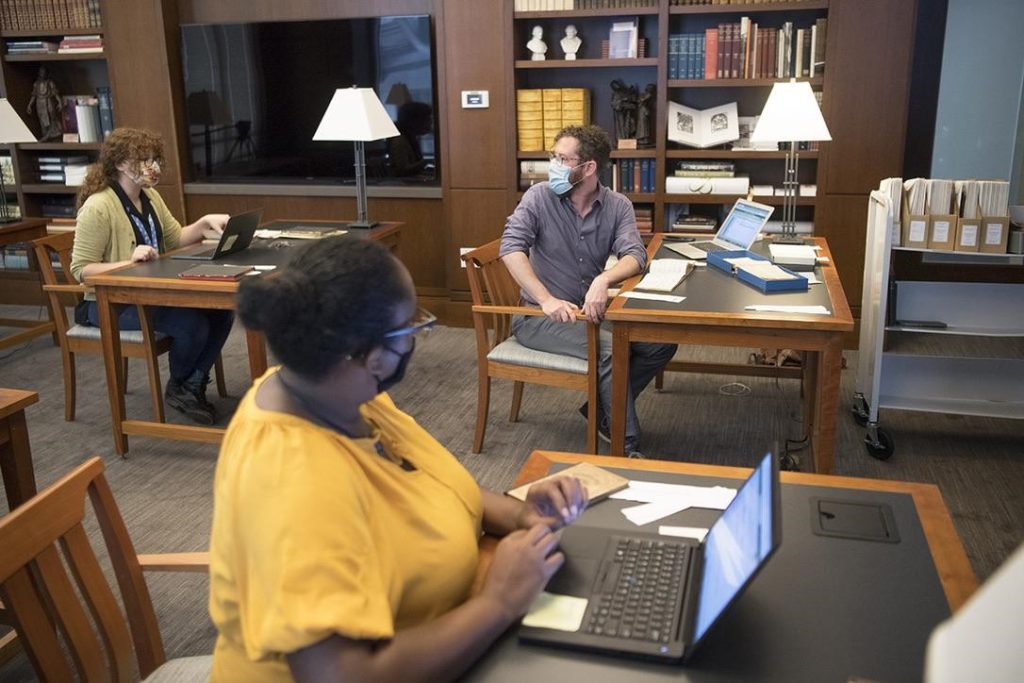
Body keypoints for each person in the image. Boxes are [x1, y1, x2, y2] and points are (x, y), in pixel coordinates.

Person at [209, 237, 587, 682]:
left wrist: (525, 514)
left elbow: (431, 485)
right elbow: (342, 676)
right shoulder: (294, 481)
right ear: (371, 356)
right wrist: (499, 602)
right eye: (412, 328)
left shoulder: (332, 388)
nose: (418, 337)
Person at [500, 124, 677, 457]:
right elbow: (511, 248)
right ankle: (627, 447)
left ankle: (601, 411)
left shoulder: (617, 205)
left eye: (563, 159)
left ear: (589, 167)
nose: (553, 165)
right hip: (540, 316)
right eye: (553, 156)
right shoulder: (538, 198)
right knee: (610, 350)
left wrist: (603, 280)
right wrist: (546, 299)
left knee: (661, 342)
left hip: (590, 312)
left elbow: (635, 256)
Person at [70, 128, 233, 425]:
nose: (153, 167)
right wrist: (126, 262)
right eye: (144, 160)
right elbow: (82, 269)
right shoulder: (99, 206)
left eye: (154, 159)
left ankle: (189, 385)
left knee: (221, 313)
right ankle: (181, 387)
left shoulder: (151, 197)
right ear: (120, 164)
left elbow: (174, 238)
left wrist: (203, 222)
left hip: (150, 293)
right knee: (192, 324)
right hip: (109, 305)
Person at [387, 101, 433, 177]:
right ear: (415, 121)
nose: (430, 122)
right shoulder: (399, 141)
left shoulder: (411, 138)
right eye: (427, 119)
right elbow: (402, 170)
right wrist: (426, 162)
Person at [26, 65, 63, 141]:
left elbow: (55, 93)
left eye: (44, 72)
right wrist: (29, 105)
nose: (42, 74)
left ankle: (53, 133)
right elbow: (34, 95)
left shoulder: (50, 83)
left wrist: (60, 102)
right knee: (42, 119)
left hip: (48, 101)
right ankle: (45, 135)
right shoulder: (36, 84)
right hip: (39, 103)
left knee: (51, 116)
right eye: (41, 72)